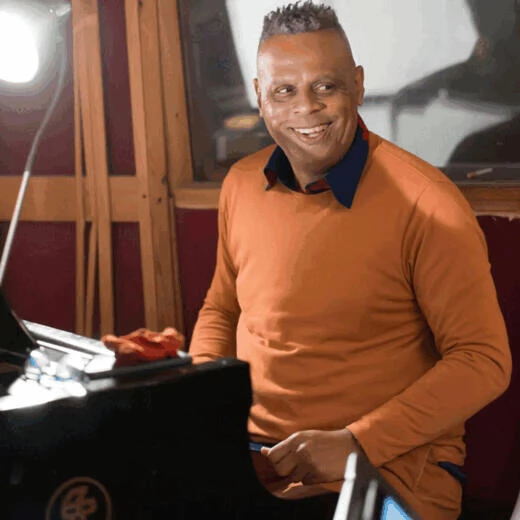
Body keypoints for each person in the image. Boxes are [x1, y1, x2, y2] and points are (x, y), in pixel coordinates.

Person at [107, 2, 512, 519]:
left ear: (357, 85)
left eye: (326, 86)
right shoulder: (240, 185)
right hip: (256, 462)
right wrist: (205, 399)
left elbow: (483, 360)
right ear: (260, 96)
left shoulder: (429, 204)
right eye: (285, 91)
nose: (307, 108)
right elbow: (222, 309)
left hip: (388, 474)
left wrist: (355, 442)